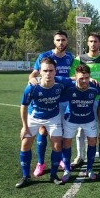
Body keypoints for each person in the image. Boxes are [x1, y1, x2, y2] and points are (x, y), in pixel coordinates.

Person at [15, 57, 72, 188]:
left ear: (55, 71)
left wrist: (88, 79)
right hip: (34, 117)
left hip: (53, 117)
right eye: (45, 70)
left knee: (57, 145)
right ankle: (26, 176)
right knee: (25, 143)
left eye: (51, 70)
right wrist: (24, 127)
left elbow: (74, 80)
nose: (48, 73)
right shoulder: (32, 87)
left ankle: (53, 175)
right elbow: (23, 106)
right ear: (40, 71)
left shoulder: (61, 82)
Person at [28, 30, 74, 177]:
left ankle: (60, 158)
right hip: (47, 100)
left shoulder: (70, 58)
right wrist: (31, 78)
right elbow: (34, 74)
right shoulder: (44, 56)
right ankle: (40, 163)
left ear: (67, 41)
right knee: (42, 131)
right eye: (58, 40)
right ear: (54, 41)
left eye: (63, 40)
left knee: (59, 133)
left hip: (64, 101)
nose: (61, 43)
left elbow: (72, 76)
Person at [69, 33, 100, 167]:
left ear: (99, 43)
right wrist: (88, 80)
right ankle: (79, 156)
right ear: (87, 43)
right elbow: (73, 77)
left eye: (95, 41)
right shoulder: (79, 59)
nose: (93, 44)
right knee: (81, 130)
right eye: (90, 41)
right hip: (84, 99)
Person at [61, 64, 100, 181]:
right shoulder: (69, 86)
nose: (85, 81)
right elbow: (54, 79)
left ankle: (90, 169)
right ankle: (67, 170)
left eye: (87, 77)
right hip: (71, 120)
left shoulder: (94, 86)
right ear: (76, 77)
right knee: (66, 142)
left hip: (88, 120)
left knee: (92, 142)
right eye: (81, 78)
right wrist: (33, 79)